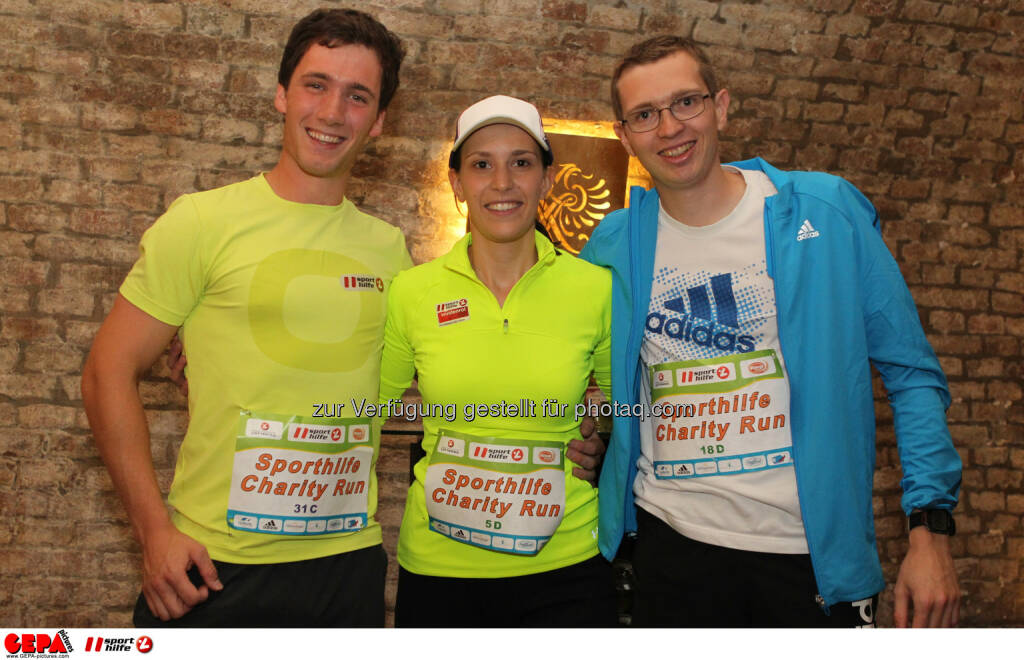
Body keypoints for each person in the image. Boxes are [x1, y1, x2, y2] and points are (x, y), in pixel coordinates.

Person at [579, 36, 962, 627]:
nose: (670, 128)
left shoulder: (826, 212)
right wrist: (598, 429)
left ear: (721, 106)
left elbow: (912, 377)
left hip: (807, 559)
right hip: (666, 548)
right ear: (625, 135)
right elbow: (596, 372)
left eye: (686, 103)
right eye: (645, 115)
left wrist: (929, 528)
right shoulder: (611, 244)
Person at [81, 8, 411, 627]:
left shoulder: (390, 248)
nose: (334, 112)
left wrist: (567, 435)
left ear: (380, 120)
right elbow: (106, 373)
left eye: (357, 96)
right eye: (316, 85)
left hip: (345, 566)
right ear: (282, 94)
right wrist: (154, 535)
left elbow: (400, 389)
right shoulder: (202, 222)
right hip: (211, 567)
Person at [378, 95, 618, 627]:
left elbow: (628, 406)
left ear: (547, 179)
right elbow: (366, 407)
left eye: (522, 163)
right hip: (441, 571)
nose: (503, 182)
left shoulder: (595, 289)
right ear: (458, 185)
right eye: (482, 164)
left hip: (568, 569)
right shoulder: (412, 292)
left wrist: (604, 443)